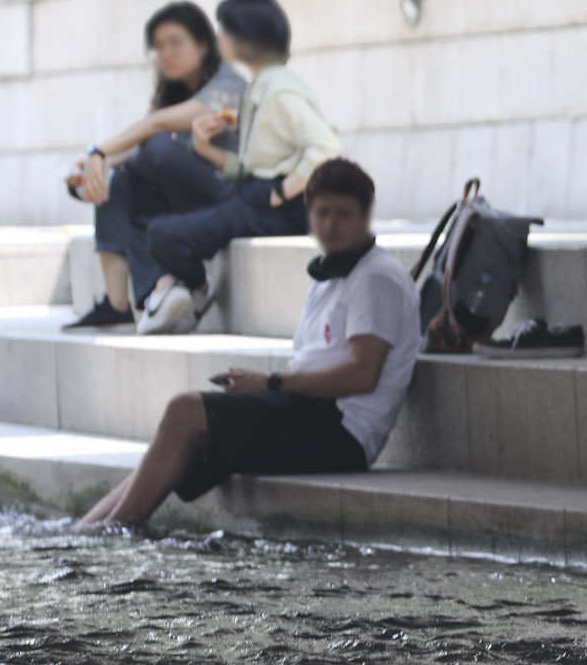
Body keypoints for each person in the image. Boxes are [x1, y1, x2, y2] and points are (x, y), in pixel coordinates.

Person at [78, 158, 420, 528]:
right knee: (186, 431)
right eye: (322, 213)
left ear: (367, 215)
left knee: (185, 411)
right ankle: (84, 530)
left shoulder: (375, 278)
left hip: (342, 433)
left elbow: (362, 375)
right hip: (310, 411)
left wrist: (270, 383)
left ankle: (112, 531)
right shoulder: (331, 274)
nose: (331, 225)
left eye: (343, 215)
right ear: (308, 211)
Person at [137, 0, 341, 335]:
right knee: (160, 226)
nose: (219, 39)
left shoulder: (279, 89)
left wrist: (283, 190)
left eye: (224, 31)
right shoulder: (263, 85)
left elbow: (325, 146)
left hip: (272, 208)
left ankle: (198, 291)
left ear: (247, 37)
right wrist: (206, 151)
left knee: (163, 234)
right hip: (253, 197)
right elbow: (254, 164)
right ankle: (189, 290)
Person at [61, 2, 248, 330]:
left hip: (229, 193)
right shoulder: (170, 91)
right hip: (186, 196)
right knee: (119, 182)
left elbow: (155, 128)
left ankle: (169, 287)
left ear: (203, 44)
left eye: (175, 43)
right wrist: (93, 170)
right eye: (159, 46)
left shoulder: (228, 85)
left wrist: (99, 152)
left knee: (156, 148)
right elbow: (135, 145)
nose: (166, 53)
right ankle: (120, 302)